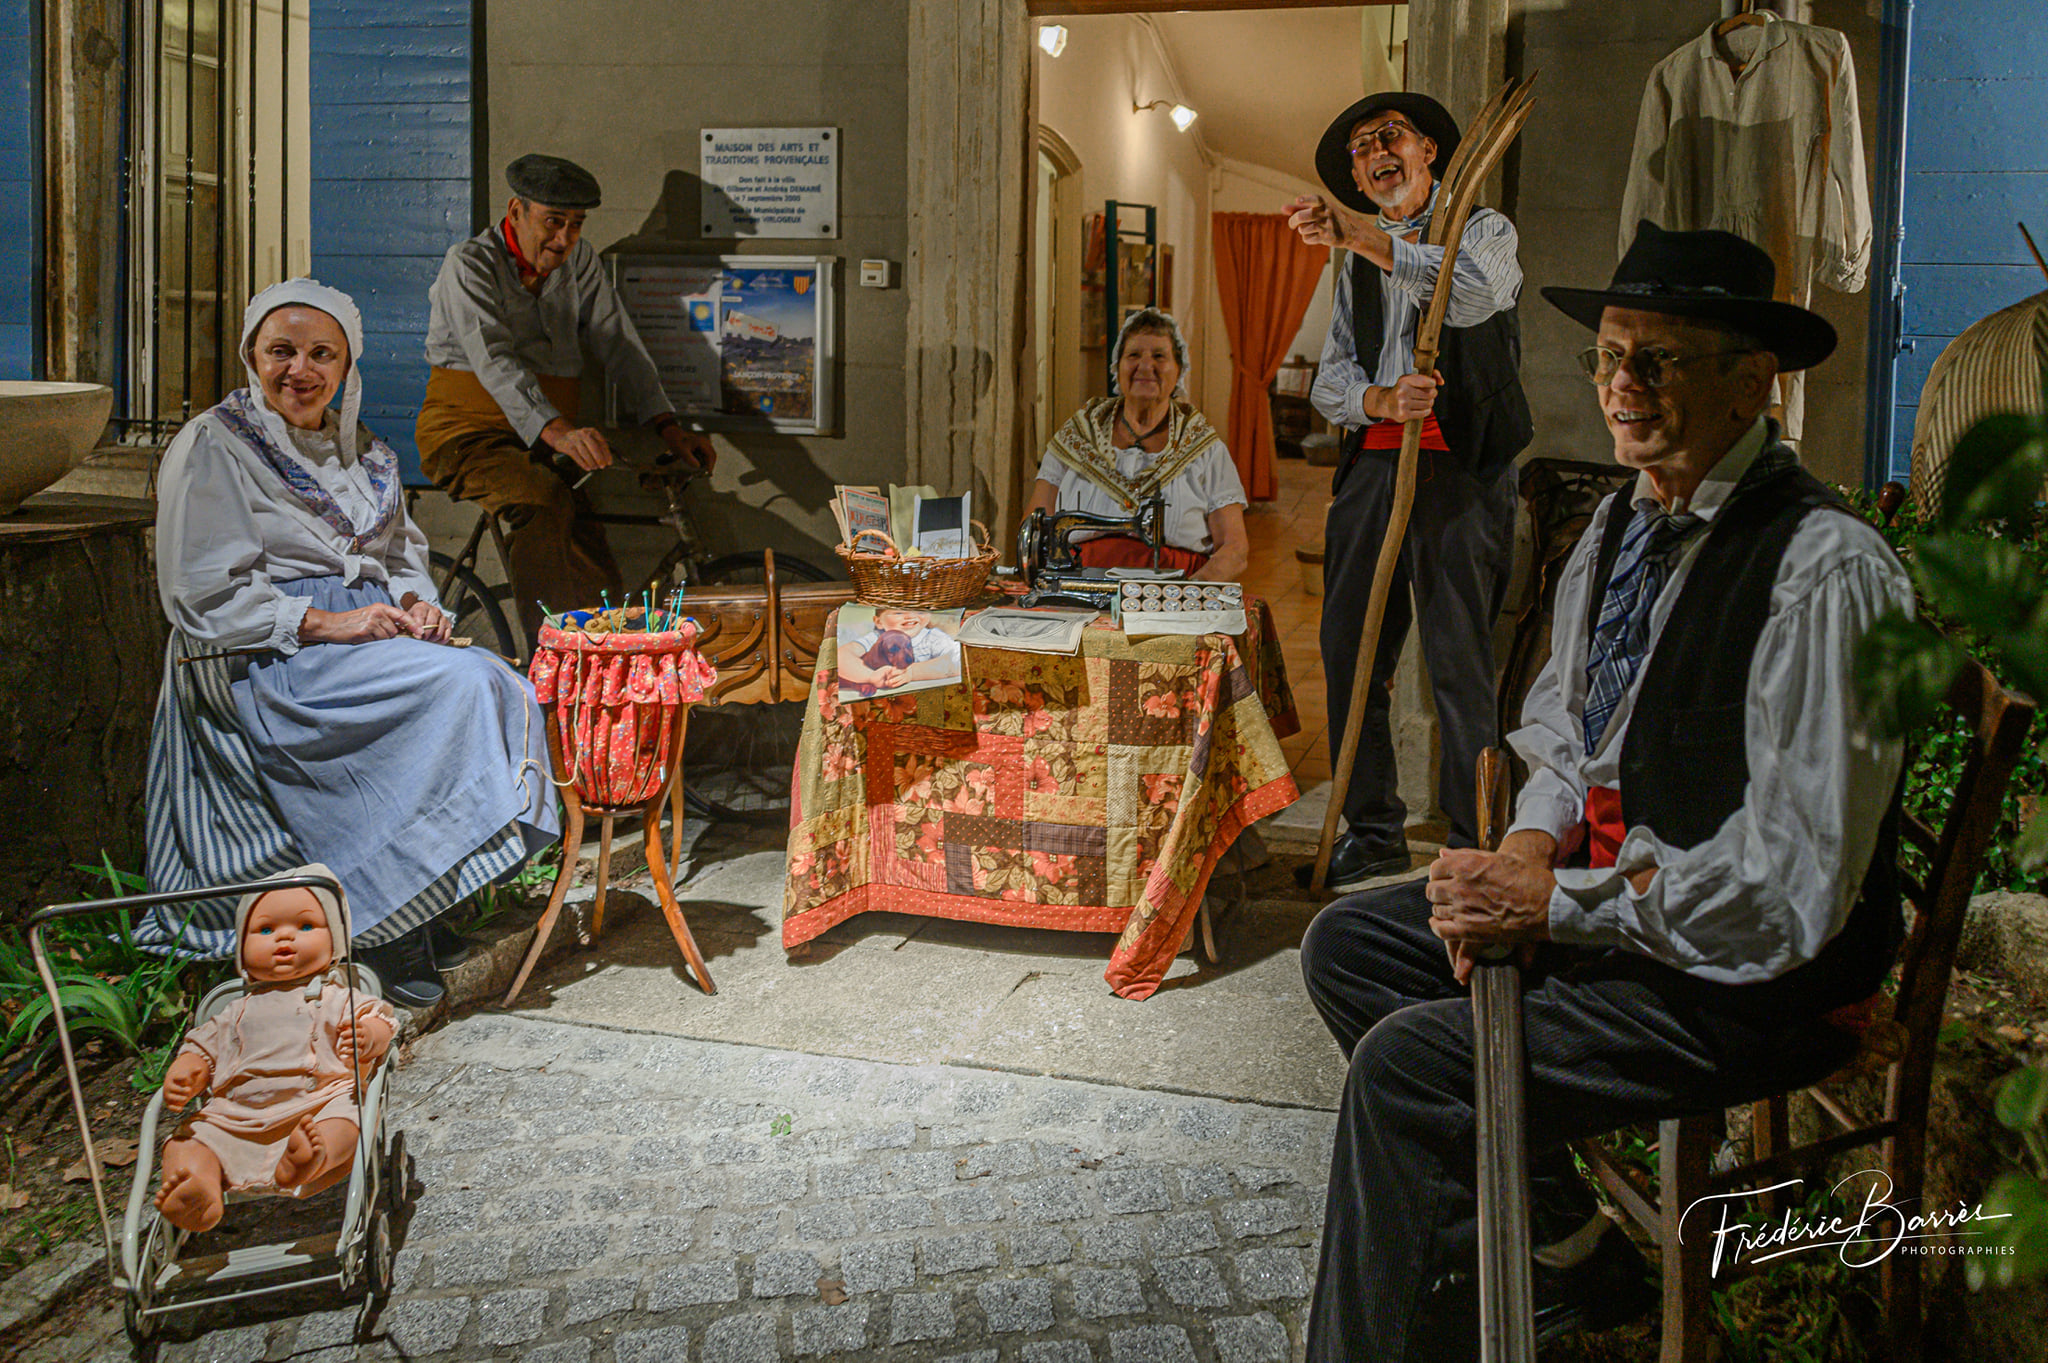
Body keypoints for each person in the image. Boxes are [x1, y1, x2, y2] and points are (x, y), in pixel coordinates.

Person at [1297, 222, 1912, 1361]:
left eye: (1655, 360)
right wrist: (1530, 847)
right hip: (1634, 915)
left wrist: (1556, 909)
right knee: (1350, 947)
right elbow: (1566, 729)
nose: (1620, 388)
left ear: (1751, 381)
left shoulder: (1822, 570)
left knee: (1410, 1064)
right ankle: (1570, 1256)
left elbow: (1786, 894)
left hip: (1752, 981)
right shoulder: (1625, 521)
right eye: (1607, 357)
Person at [146, 279, 560, 1009]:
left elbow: (399, 556)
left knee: (497, 679)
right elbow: (200, 595)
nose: (299, 371)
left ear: (345, 365)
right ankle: (378, 921)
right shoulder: (215, 443)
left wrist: (414, 605)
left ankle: (417, 899)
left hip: (366, 636)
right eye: (281, 351)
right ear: (251, 354)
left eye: (320, 354)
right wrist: (333, 622)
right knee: (453, 690)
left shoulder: (365, 451)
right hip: (269, 656)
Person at [1287, 92, 1533, 890]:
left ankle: (1475, 839)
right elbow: (1331, 381)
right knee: (1351, 650)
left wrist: (1362, 237)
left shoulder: (1484, 231)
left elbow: (1470, 296)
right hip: (1376, 468)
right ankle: (1373, 828)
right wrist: (1379, 401)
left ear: (1429, 149)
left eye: (1388, 137)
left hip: (1460, 469)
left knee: (1458, 659)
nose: (1374, 153)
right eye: (1359, 149)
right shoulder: (1357, 258)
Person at [418, 153, 714, 642]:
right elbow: (494, 359)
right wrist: (558, 431)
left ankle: (604, 655)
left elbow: (619, 342)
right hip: (466, 435)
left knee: (591, 543)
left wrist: (668, 424)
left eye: (575, 225)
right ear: (515, 211)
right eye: (553, 222)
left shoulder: (579, 261)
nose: (564, 239)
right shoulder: (469, 264)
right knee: (544, 500)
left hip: (542, 441)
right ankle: (550, 657)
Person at [154, 869, 395, 1233]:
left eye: (305, 926)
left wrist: (369, 1036)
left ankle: (310, 1159)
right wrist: (187, 1072)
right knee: (183, 1142)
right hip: (235, 1117)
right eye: (265, 930)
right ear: (242, 951)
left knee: (351, 1119)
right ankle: (200, 1189)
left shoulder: (336, 997)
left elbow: (382, 1021)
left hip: (317, 1107)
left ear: (336, 941)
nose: (284, 937)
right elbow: (202, 1048)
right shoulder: (234, 1011)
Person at [1031, 308, 1249, 582]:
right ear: (1117, 366)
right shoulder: (1076, 440)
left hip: (1173, 591)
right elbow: (1035, 528)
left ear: (1179, 369)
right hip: (1080, 585)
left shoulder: (1204, 449)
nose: (1145, 366)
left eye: (1159, 356)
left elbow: (1235, 548)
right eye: (1133, 355)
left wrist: (1188, 594)